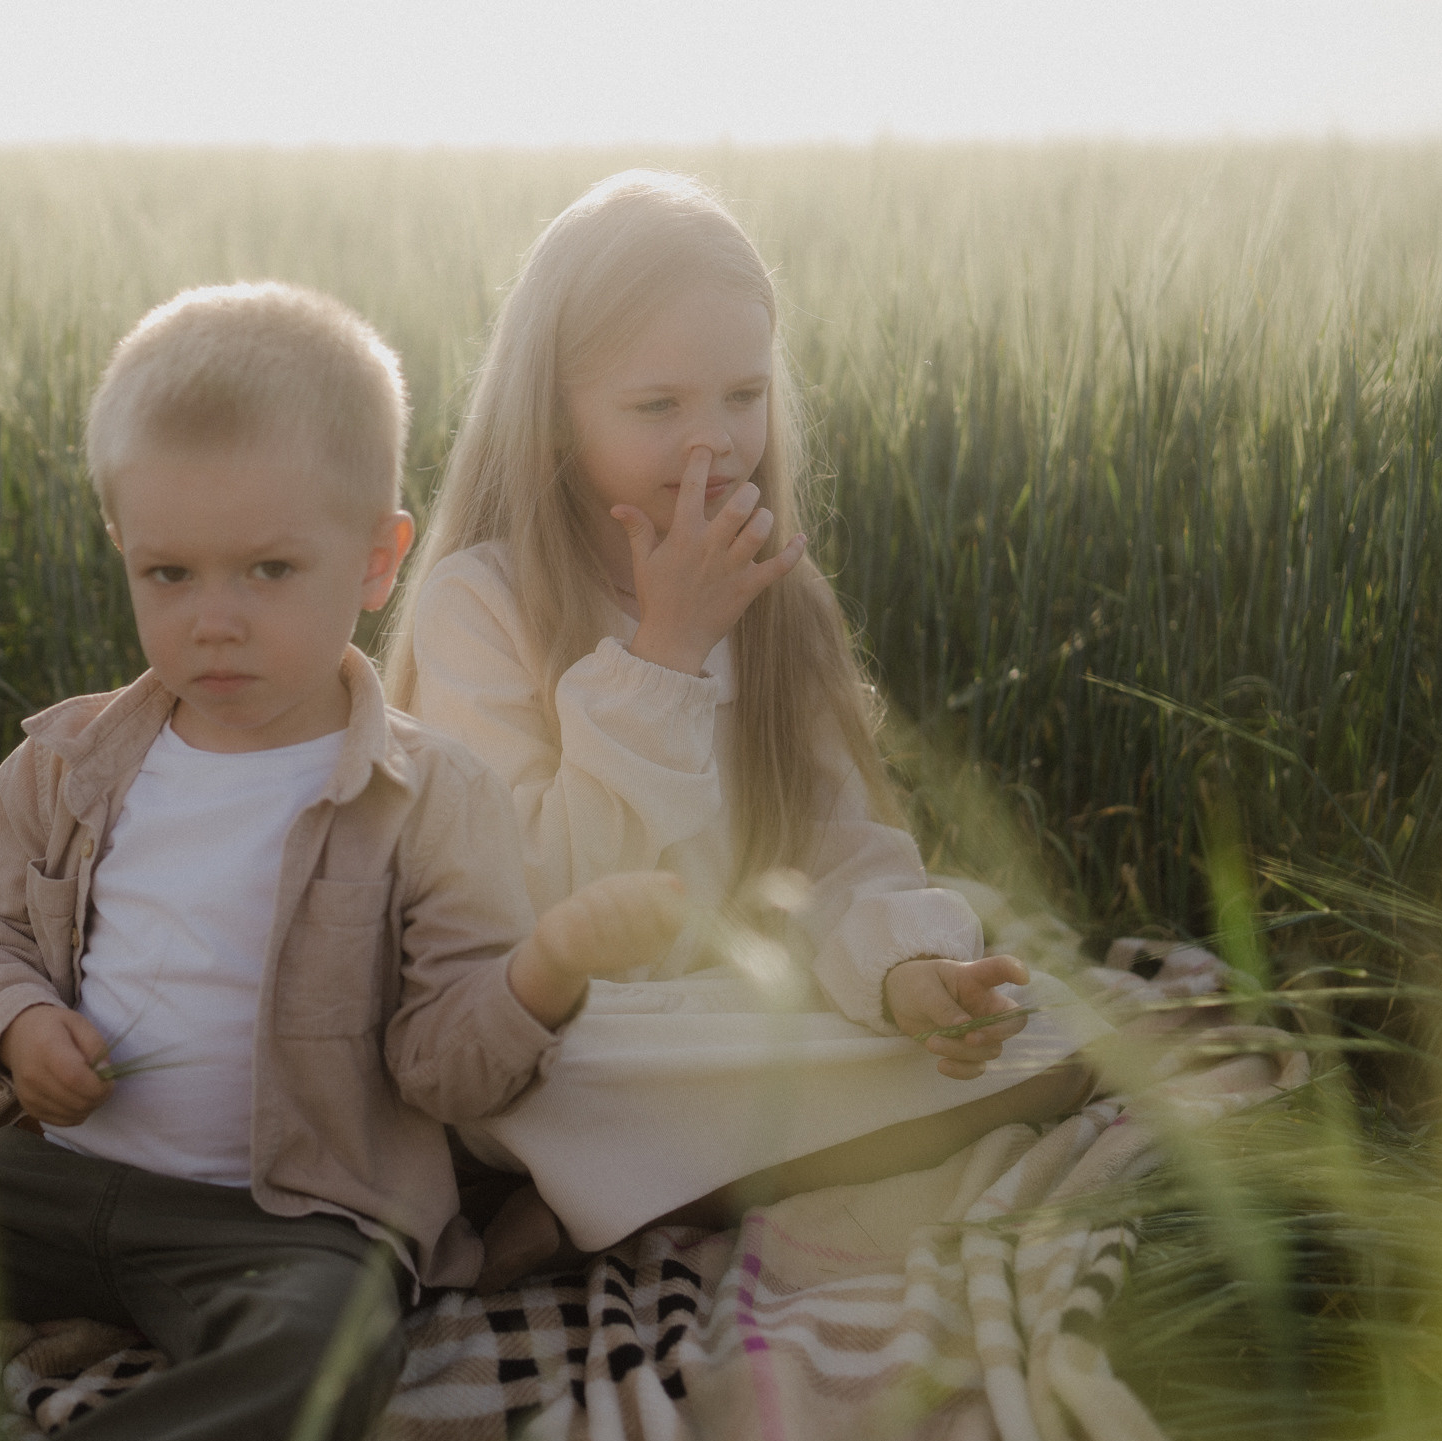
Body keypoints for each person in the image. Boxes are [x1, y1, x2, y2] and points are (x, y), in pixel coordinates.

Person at [0, 281, 684, 1441]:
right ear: (121, 547)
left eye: (269, 571)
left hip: (286, 1222)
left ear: (376, 559)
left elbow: (443, 1060)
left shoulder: (430, 798)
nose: (215, 619)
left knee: (327, 1355)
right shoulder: (67, 762)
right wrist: (18, 1024)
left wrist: (548, 965)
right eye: (171, 574)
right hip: (57, 1177)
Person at [379, 171, 1103, 1281]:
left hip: (735, 1019)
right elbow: (527, 897)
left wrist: (903, 974)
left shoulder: (778, 598)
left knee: (1047, 1047)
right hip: (561, 1032)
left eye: (741, 396)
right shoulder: (479, 603)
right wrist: (661, 654)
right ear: (557, 414)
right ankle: (640, 1184)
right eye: (656, 407)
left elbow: (845, 853)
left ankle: (634, 1202)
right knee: (597, 1061)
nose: (712, 445)